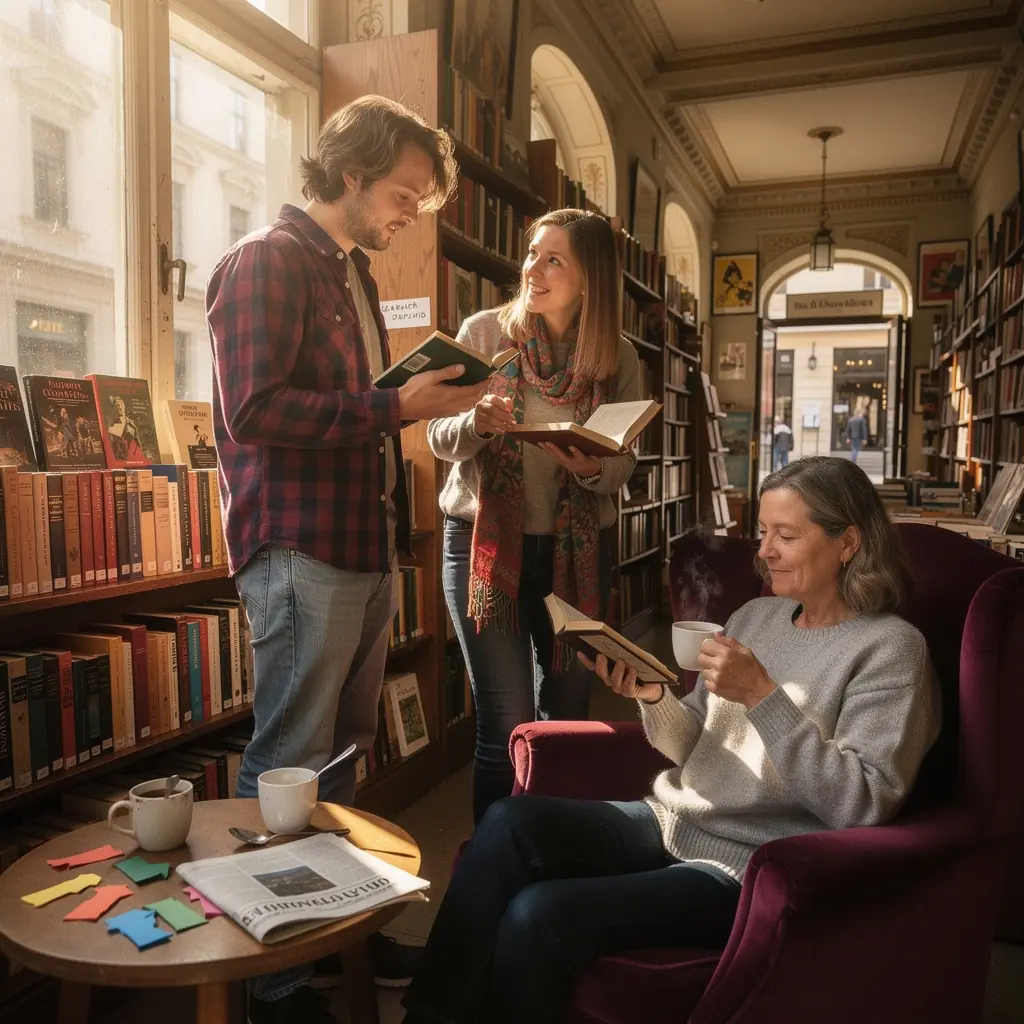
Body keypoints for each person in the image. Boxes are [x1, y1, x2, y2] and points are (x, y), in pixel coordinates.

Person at [402, 456, 940, 1024]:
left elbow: (863, 802)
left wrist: (762, 696)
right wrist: (652, 696)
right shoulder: (757, 616)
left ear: (848, 542)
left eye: (786, 535)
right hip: (672, 820)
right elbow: (695, 745)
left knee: (540, 915)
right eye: (762, 532)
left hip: (751, 868)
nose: (764, 551)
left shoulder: (891, 650)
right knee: (509, 822)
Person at [207, 95, 483, 1024]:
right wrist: (395, 410)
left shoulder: (352, 275)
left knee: (337, 765)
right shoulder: (265, 262)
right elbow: (253, 411)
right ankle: (274, 983)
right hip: (297, 547)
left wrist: (405, 398)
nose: (410, 212)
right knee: (288, 761)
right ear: (353, 173)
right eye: (404, 192)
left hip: (359, 547)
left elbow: (349, 404)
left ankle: (332, 938)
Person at [427, 208, 641, 826]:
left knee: (571, 714)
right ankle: (491, 869)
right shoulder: (486, 333)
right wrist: (474, 423)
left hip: (576, 552)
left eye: (554, 259)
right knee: (505, 719)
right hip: (484, 545)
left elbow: (623, 465)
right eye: (531, 254)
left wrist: (587, 467)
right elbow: (438, 435)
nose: (533, 270)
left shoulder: (617, 358)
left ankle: (553, 850)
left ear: (589, 278)